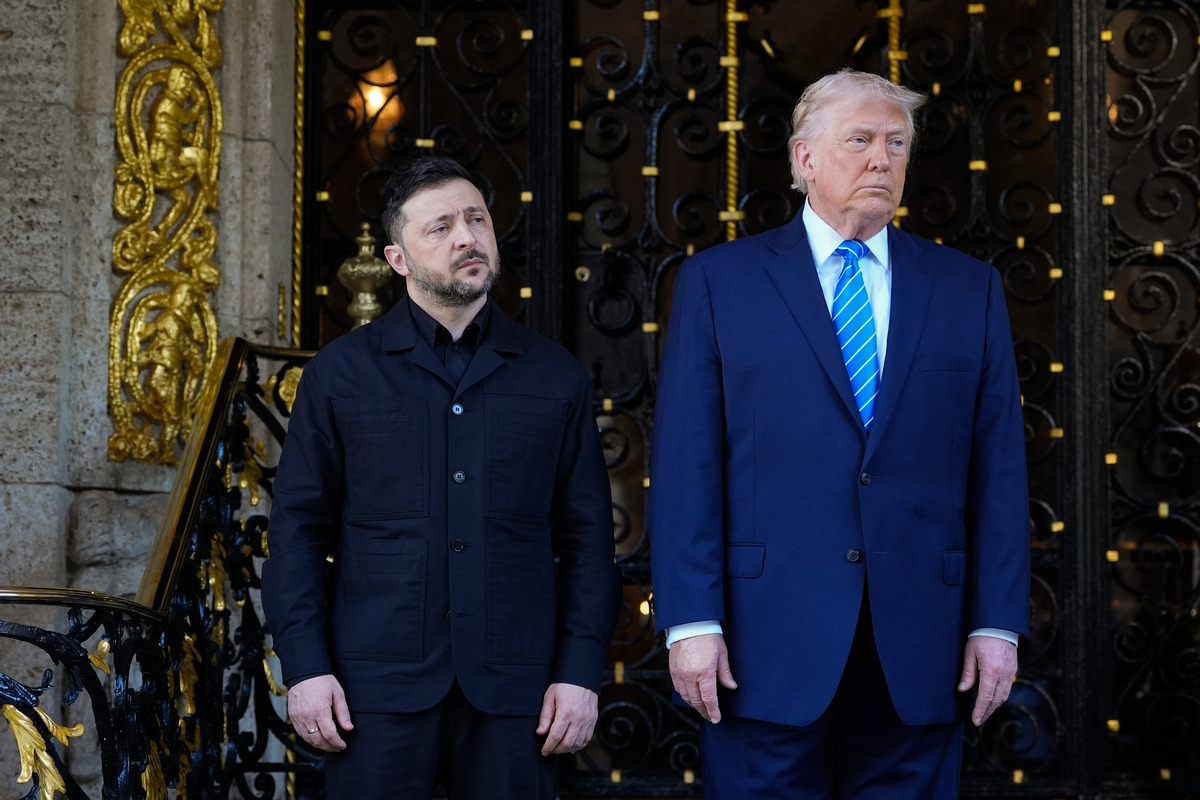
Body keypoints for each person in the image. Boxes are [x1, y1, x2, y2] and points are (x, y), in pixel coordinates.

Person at [648, 69, 1030, 799]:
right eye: (859, 140)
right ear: (804, 159)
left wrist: (998, 623)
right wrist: (690, 619)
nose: (881, 159)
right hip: (761, 647)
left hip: (923, 643)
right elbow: (688, 464)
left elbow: (999, 469)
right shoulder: (719, 283)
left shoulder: (968, 288)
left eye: (896, 143)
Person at [261, 157, 621, 799]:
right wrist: (306, 668)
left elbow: (588, 542)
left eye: (476, 219)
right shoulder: (339, 376)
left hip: (520, 691)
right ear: (398, 260)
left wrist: (580, 672)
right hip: (372, 688)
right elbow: (297, 532)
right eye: (441, 227)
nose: (467, 237)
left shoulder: (554, 375)